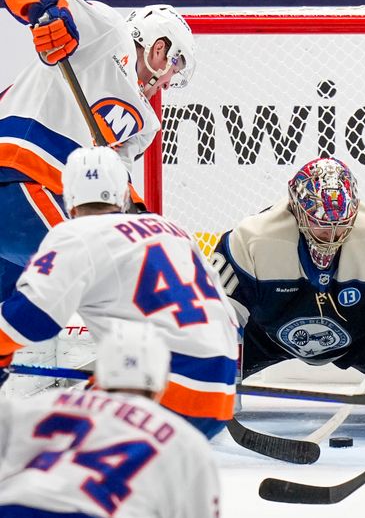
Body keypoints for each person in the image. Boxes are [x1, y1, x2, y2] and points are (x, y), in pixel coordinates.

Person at [0, 146, 239, 438]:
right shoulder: (173, 229)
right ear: (124, 194)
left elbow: (30, 320)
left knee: (36, 447)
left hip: (157, 388)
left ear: (67, 198)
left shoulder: (74, 235)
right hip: (222, 389)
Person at [212, 156, 365, 422]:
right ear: (295, 209)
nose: (333, 235)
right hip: (264, 336)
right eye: (321, 225)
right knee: (200, 359)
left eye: (341, 224)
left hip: (360, 337)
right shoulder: (252, 239)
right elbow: (215, 313)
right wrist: (207, 365)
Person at [0, 0, 195, 301]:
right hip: (19, 175)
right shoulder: (108, 32)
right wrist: (47, 10)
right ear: (160, 48)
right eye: (176, 65)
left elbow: (114, 183)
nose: (170, 81)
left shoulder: (146, 123)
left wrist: (137, 218)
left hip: (32, 204)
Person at [0, 319, 221, 518]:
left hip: (12, 506)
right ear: (163, 381)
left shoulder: (38, 405)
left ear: (99, 374)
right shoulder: (183, 439)